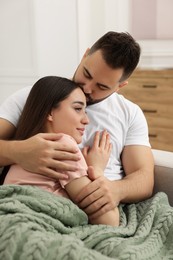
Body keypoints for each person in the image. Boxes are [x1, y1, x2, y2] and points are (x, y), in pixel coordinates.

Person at [0, 31, 154, 222]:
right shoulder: (37, 97)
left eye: (102, 86)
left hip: (93, 209)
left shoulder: (130, 113)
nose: (87, 88)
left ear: (119, 86)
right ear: (85, 55)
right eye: (86, 73)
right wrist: (19, 151)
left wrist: (114, 190)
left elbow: (144, 178)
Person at [3, 76, 119, 226]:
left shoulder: (28, 146)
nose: (86, 120)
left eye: (86, 111)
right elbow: (108, 222)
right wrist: (96, 170)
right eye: (78, 109)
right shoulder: (62, 144)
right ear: (50, 112)